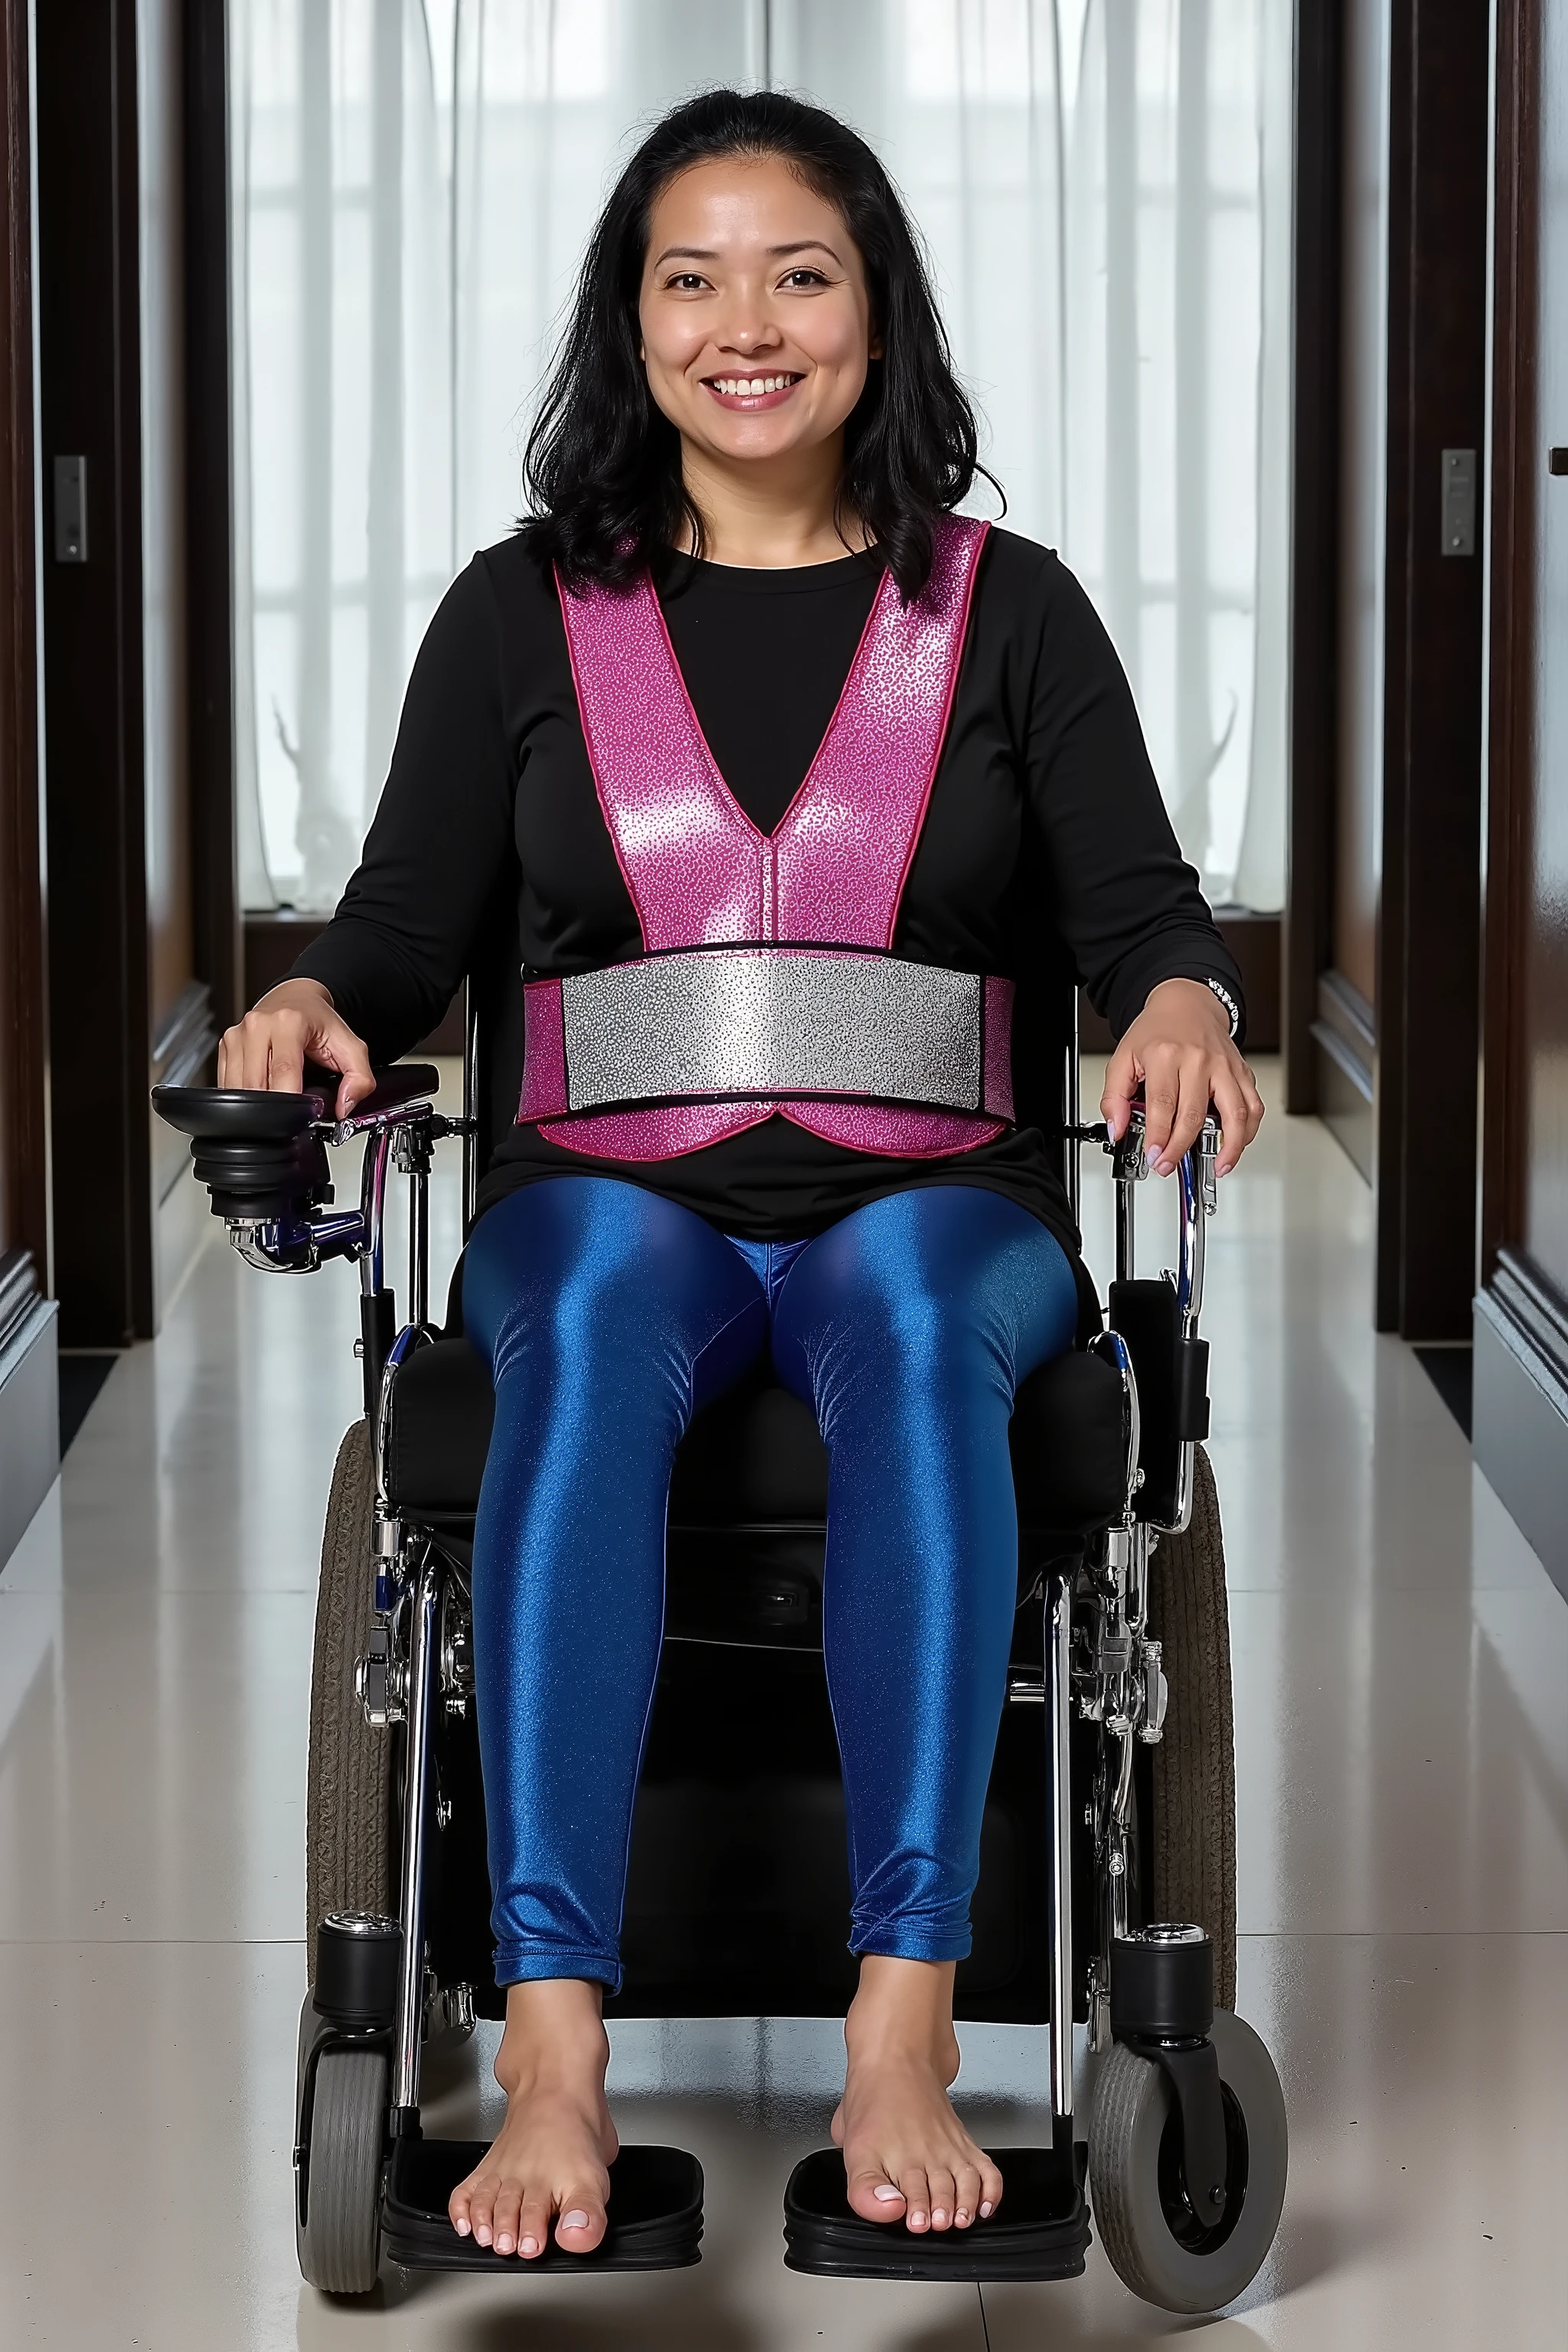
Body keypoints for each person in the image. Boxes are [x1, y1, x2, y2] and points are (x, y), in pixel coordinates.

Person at [220, 90, 1263, 2265]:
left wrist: (1179, 1002)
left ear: (879, 315)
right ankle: (554, 2055)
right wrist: (324, 998)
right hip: (607, 1200)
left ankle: (907, 2019)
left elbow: (1145, 914)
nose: (747, 325)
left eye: (801, 272)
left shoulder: (1010, 611)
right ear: (631, 325)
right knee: (590, 1320)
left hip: (941, 1205)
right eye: (691, 278)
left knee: (901, 1313)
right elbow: (407, 929)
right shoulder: (523, 617)